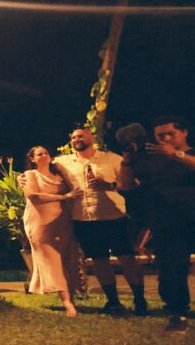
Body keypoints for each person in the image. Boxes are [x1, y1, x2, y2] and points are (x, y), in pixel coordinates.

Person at [54, 127, 146, 315]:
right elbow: (40, 167)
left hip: (114, 217)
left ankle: (139, 299)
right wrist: (26, 177)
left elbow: (133, 183)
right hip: (84, 219)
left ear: (92, 137)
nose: (77, 139)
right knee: (99, 260)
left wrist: (109, 185)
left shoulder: (112, 159)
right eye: (73, 137)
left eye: (81, 136)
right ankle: (113, 301)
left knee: (127, 258)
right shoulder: (63, 162)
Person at [118, 115, 195, 332]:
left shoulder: (188, 154)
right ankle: (177, 312)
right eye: (161, 135)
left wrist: (177, 155)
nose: (166, 138)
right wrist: (127, 160)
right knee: (172, 269)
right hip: (168, 223)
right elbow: (125, 186)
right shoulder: (149, 161)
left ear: (184, 132)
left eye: (171, 133)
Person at [22, 146, 83, 317]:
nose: (44, 156)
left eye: (46, 153)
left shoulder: (60, 175)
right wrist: (64, 197)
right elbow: (33, 195)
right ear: (32, 159)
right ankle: (68, 303)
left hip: (63, 221)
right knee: (53, 260)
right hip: (40, 222)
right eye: (39, 154)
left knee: (66, 259)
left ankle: (71, 297)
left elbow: (75, 189)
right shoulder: (30, 175)